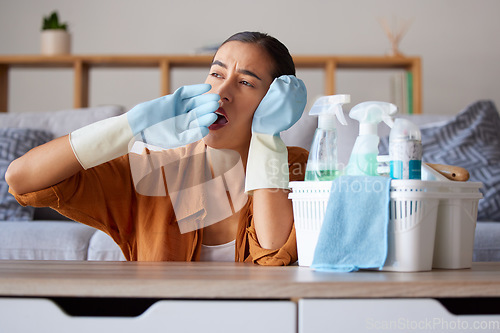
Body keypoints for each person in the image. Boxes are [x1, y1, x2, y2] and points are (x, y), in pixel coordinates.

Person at [5, 31, 308, 265]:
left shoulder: (297, 169)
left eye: (245, 83)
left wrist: (268, 139)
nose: (222, 92)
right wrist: (128, 125)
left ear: (275, 102)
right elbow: (22, 179)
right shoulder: (152, 170)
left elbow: (272, 257)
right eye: (216, 74)